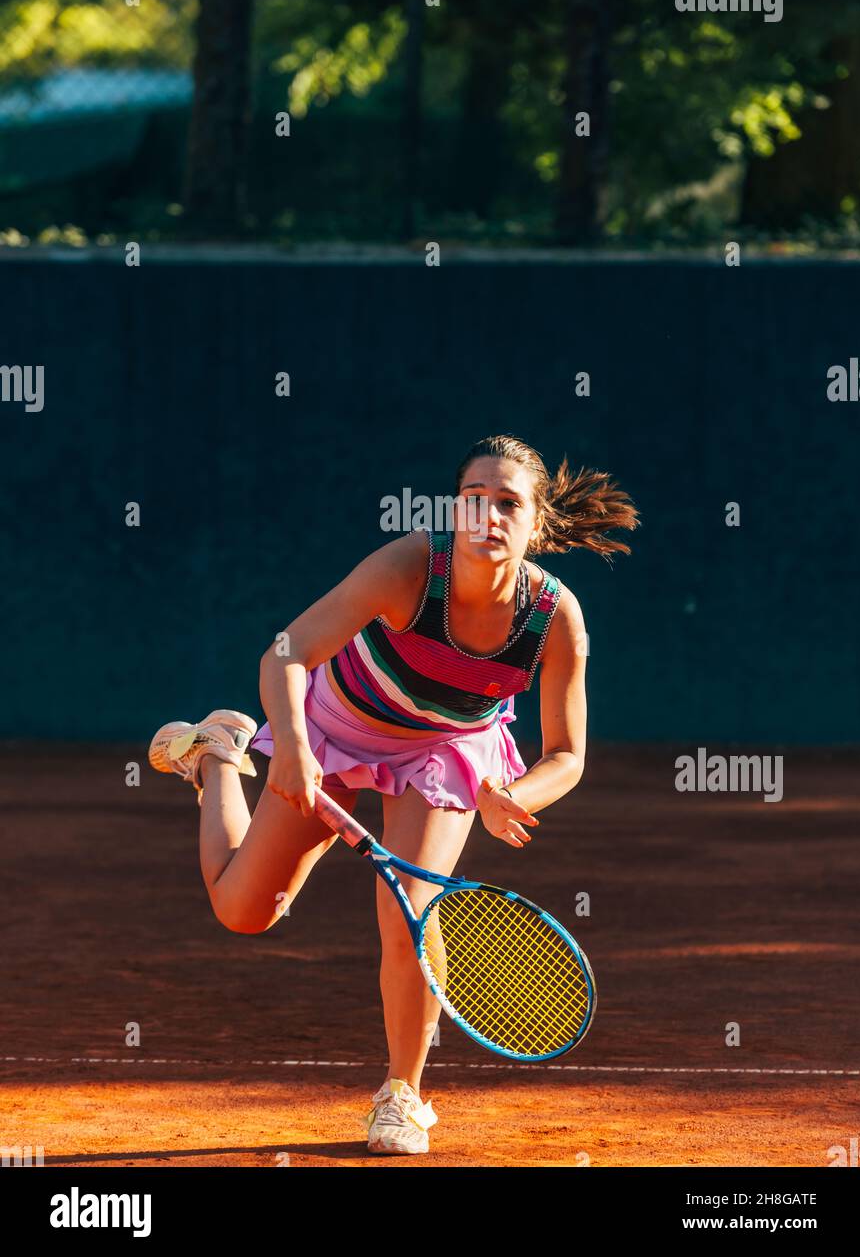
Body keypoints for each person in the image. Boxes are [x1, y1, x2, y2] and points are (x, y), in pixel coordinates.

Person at [148, 434, 638, 1155]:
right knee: (245, 911)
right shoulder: (408, 567)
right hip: (332, 728)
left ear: (536, 524)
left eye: (507, 504)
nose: (487, 517)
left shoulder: (553, 617)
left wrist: (515, 794)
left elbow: (566, 755)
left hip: (444, 750)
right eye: (473, 500)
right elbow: (285, 653)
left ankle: (402, 1096)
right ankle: (219, 756)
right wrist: (289, 748)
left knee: (411, 908)